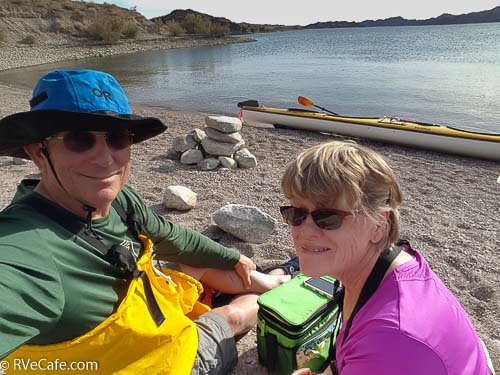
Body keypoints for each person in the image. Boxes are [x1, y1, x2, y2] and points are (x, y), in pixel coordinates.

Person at [0, 69, 296, 374]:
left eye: (116, 138)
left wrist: (237, 258)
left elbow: (174, 239)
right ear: (38, 151)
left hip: (146, 316)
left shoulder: (121, 202)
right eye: (79, 139)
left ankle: (269, 279)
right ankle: (277, 285)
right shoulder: (23, 248)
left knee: (195, 264)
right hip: (165, 361)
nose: (105, 159)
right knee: (233, 316)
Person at [280, 141, 494, 375]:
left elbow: (389, 352)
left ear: (379, 225)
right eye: (296, 213)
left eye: (328, 217)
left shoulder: (391, 339)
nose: (305, 230)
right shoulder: (387, 266)